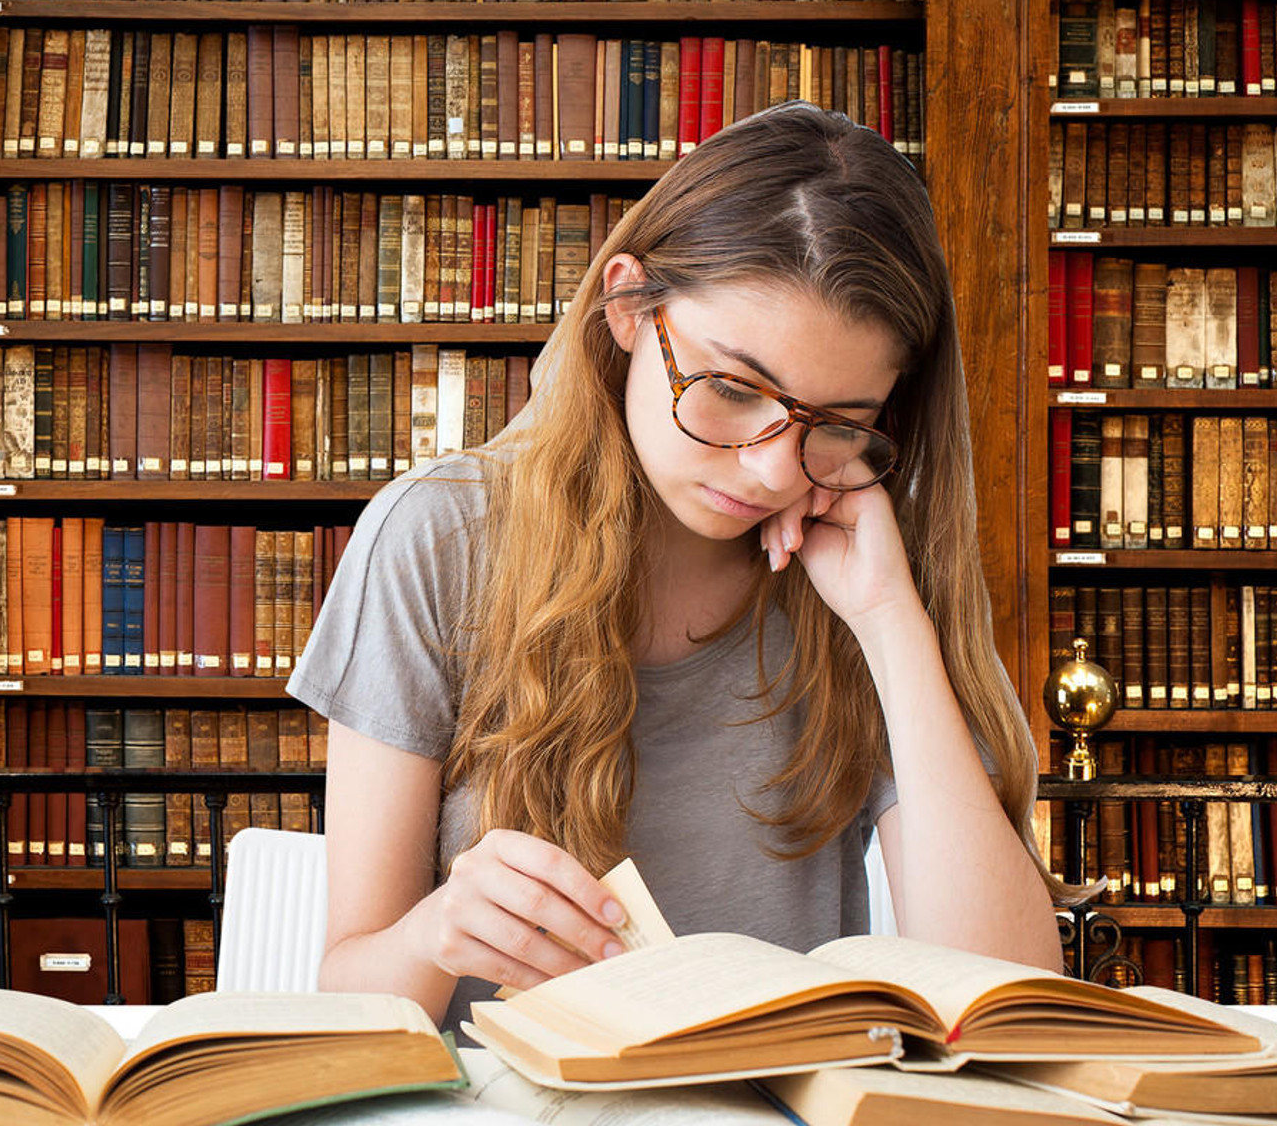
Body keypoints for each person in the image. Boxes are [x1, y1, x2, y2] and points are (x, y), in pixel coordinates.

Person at [287, 102, 1065, 1034]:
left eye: (839, 423)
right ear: (627, 305)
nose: (775, 469)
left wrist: (891, 625)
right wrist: (432, 934)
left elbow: (1006, 1004)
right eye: (732, 390)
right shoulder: (438, 539)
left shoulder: (867, 568)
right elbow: (342, 1003)